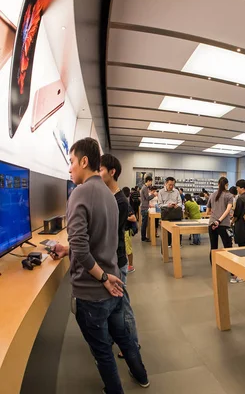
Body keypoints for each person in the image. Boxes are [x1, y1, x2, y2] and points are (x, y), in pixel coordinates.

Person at [49, 138, 148, 393]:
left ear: (84, 161)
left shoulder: (79, 193)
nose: (69, 168)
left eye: (71, 162)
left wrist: (102, 277)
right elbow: (100, 239)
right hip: (113, 285)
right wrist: (106, 276)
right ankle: (141, 375)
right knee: (124, 338)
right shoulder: (109, 194)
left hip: (93, 291)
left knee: (102, 351)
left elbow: (82, 248)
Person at [99, 155, 141, 358]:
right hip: (112, 260)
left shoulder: (120, 202)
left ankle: (132, 344)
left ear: (112, 171)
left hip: (117, 261)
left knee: (122, 305)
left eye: (100, 170)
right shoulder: (109, 197)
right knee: (117, 304)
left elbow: (110, 233)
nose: (97, 174)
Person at [207, 177, 241, 283]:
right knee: (228, 248)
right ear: (227, 184)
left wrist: (215, 217)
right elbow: (228, 210)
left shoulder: (212, 195)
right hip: (224, 225)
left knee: (213, 247)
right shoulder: (229, 196)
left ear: (218, 184)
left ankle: (215, 271)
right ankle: (233, 274)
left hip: (211, 223)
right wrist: (220, 220)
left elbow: (208, 211)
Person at [157, 177, 183, 247]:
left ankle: (178, 243)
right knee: (167, 230)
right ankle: (167, 244)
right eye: (170, 185)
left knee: (178, 228)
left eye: (173, 185)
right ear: (165, 184)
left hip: (176, 212)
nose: (171, 186)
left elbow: (180, 202)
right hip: (166, 213)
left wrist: (177, 205)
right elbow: (159, 205)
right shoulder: (161, 192)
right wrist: (167, 205)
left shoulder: (176, 191)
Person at [122, 187, 137, 273]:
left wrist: (124, 218)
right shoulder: (125, 203)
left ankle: (130, 266)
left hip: (126, 230)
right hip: (123, 230)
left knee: (128, 249)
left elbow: (133, 218)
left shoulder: (126, 205)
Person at [140, 176, 157, 242]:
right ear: (148, 181)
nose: (151, 183)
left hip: (144, 207)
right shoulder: (145, 188)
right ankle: (143, 237)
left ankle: (143, 237)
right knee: (144, 224)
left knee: (144, 223)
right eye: (151, 182)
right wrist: (154, 195)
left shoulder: (144, 188)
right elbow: (147, 198)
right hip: (144, 208)